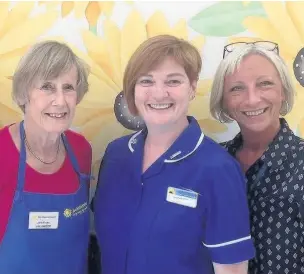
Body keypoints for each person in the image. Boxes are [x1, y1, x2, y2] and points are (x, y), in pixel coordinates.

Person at [94, 34, 255, 274]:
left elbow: (231, 270)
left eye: (173, 81)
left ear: (192, 88)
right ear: (133, 90)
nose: (159, 94)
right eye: (146, 81)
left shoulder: (218, 169)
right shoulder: (115, 154)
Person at [210, 41, 304, 274]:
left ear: (283, 91)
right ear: (223, 100)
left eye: (265, 84)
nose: (252, 99)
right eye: (237, 88)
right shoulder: (211, 161)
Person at [0, 41, 92, 274]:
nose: (60, 101)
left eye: (68, 87)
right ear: (24, 94)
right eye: (47, 87)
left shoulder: (81, 150)